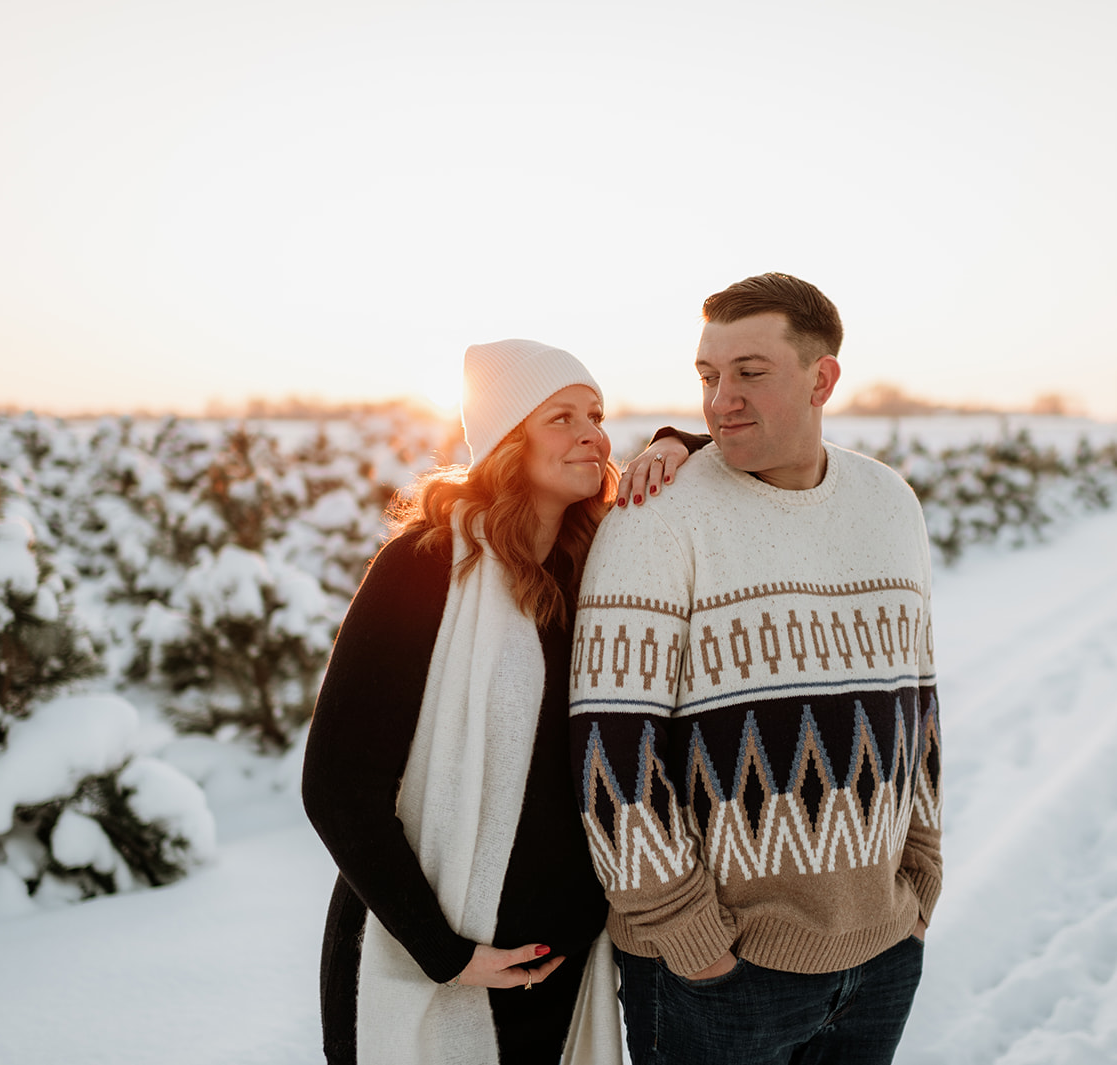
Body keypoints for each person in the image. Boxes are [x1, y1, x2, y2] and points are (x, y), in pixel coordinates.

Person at [568, 274, 942, 1064]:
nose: (720, 398)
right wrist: (689, 936)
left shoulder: (890, 504)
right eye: (707, 375)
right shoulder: (657, 515)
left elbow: (919, 707)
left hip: (881, 954)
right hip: (721, 975)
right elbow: (610, 748)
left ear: (822, 378)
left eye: (749, 371)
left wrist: (922, 871)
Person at [303, 338, 697, 1065]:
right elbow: (337, 787)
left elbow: (743, 465)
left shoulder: (599, 565)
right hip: (433, 963)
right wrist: (446, 954)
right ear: (508, 441)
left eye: (597, 413)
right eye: (561, 417)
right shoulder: (422, 569)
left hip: (561, 970)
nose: (594, 434)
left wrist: (678, 444)